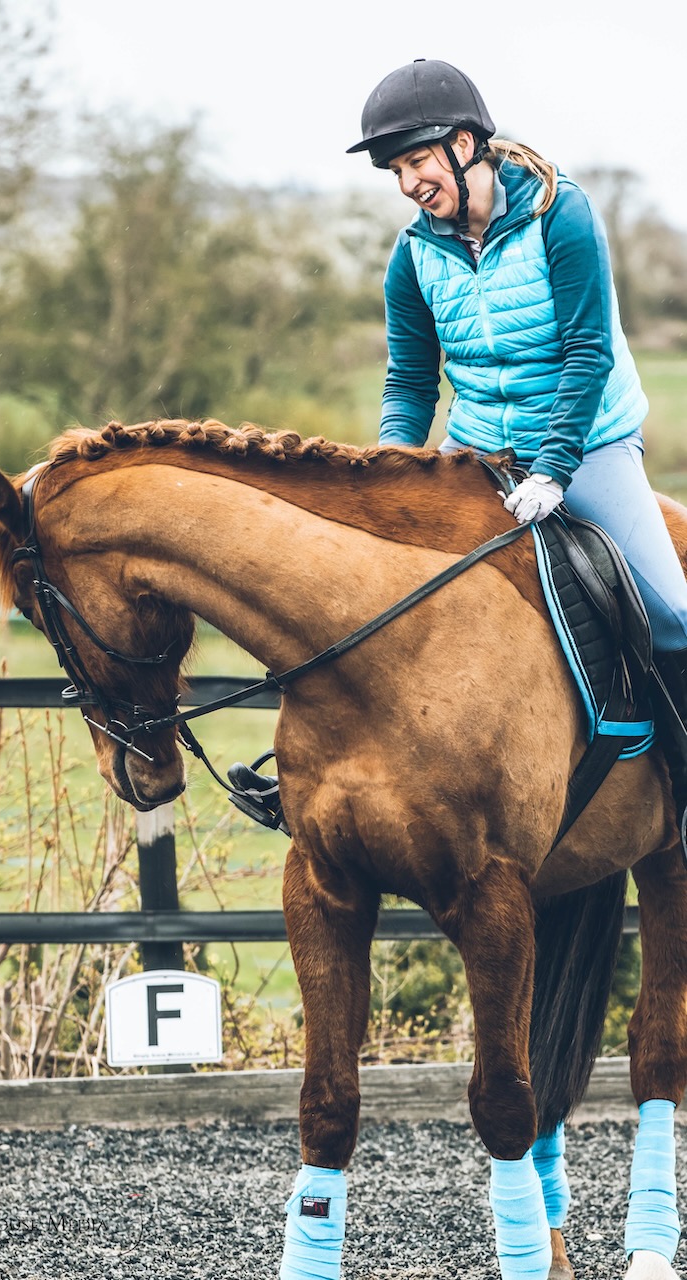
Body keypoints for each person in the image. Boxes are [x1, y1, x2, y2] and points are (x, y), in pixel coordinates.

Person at [229, 58, 687, 849]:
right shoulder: (413, 255)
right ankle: (319, 765)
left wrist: (553, 466)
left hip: (589, 443)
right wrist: (385, 478)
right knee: (378, 590)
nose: (408, 183)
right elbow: (409, 379)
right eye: (396, 170)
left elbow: (586, 352)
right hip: (474, 448)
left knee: (674, 617)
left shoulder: (560, 216)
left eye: (416, 162)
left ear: (466, 144)